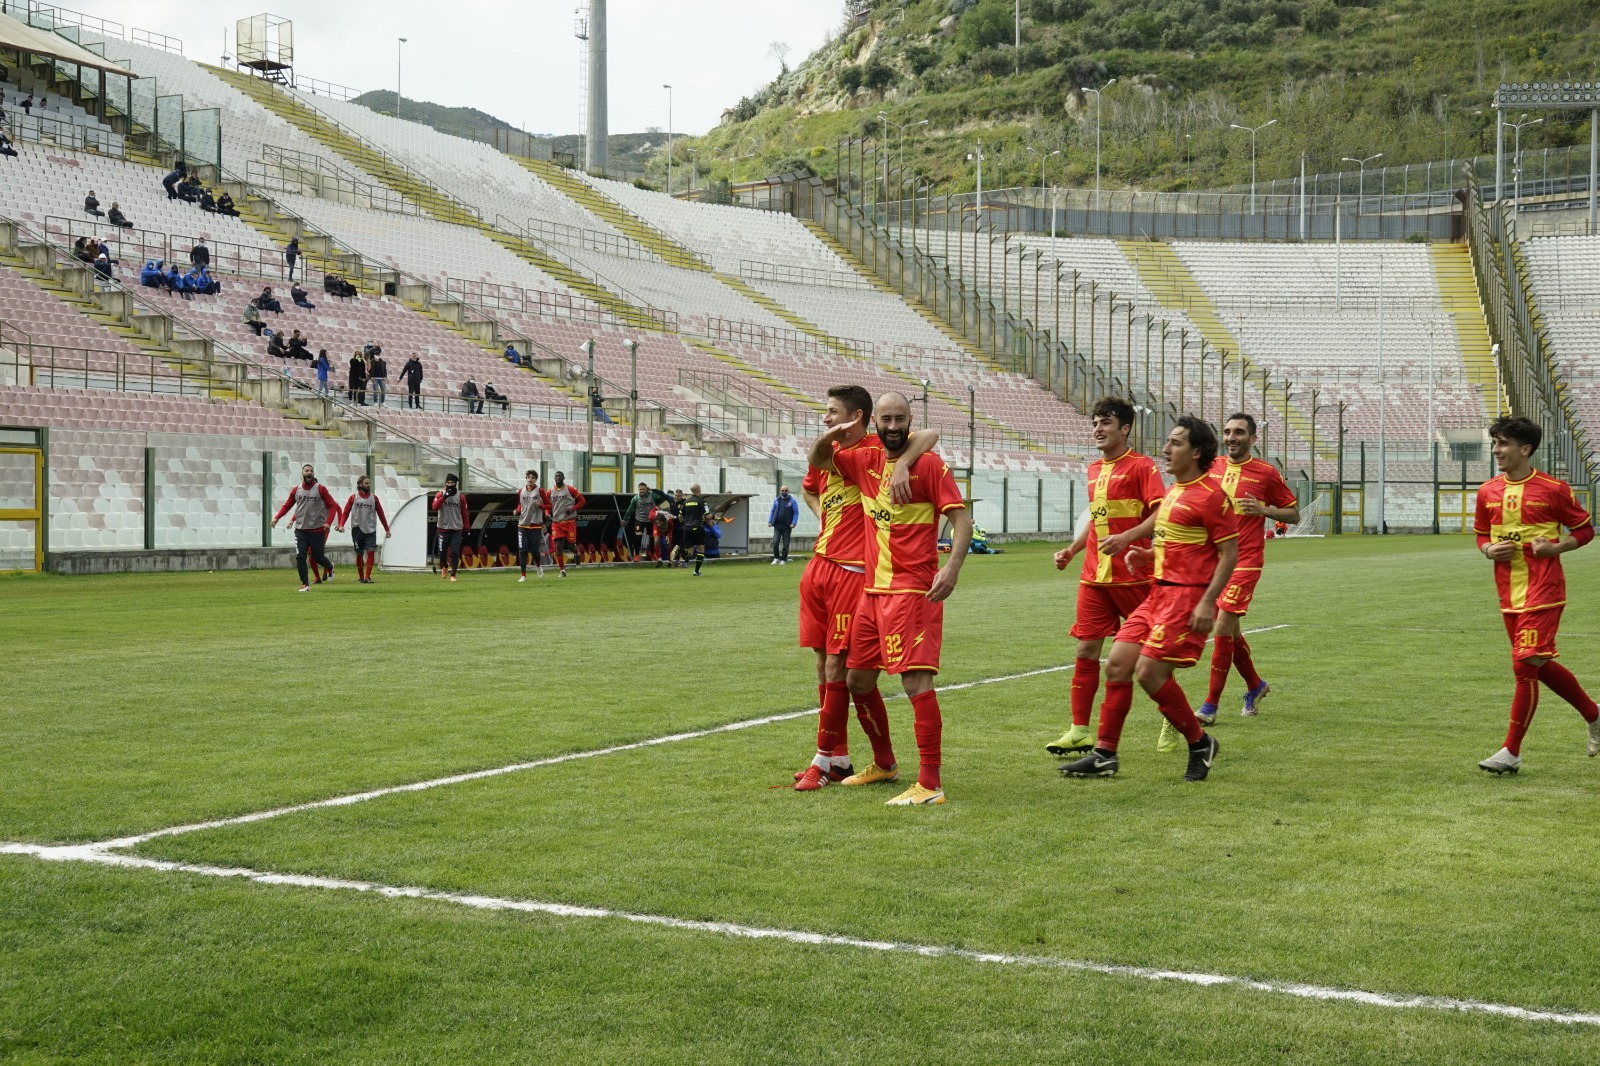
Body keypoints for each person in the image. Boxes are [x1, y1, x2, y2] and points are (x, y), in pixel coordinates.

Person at [807, 391, 973, 806]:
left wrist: (950, 569)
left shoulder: (929, 464)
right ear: (875, 422)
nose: (894, 427)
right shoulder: (864, 460)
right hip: (872, 592)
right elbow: (819, 462)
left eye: (901, 418)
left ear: (910, 418)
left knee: (915, 679)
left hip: (913, 590)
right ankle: (884, 763)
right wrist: (831, 434)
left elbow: (960, 519)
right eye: (887, 419)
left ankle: (930, 784)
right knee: (857, 679)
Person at [1060, 416, 1235, 784]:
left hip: (1186, 600)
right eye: (1167, 442)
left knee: (1149, 672)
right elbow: (1178, 547)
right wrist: (1147, 557)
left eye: (1175, 443)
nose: (1166, 449)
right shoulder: (1174, 492)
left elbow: (1228, 554)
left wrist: (1207, 603)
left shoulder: (1212, 495)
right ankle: (1105, 755)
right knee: (1118, 665)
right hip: (1157, 593)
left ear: (1197, 452)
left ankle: (1200, 743)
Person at [1474, 415, 1600, 775]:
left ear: (1524, 449)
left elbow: (1585, 530)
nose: (1496, 450)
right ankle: (1595, 714)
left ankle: (1510, 753)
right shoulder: (1488, 491)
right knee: (1537, 665)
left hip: (1544, 590)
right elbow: (1482, 534)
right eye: (1494, 443)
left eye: (1502, 444)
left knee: (1524, 666)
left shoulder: (1554, 489)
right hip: (1508, 594)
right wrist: (1487, 551)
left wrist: (1556, 547)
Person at [1045, 397, 1167, 757]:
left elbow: (1161, 515)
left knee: (1150, 655)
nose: (1097, 429)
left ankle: (1172, 719)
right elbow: (1098, 525)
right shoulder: (1094, 469)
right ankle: (1079, 730)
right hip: (1094, 577)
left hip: (1134, 576)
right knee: (1085, 648)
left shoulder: (1143, 468)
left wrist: (1128, 538)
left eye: (1105, 423)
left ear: (1125, 429)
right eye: (1095, 423)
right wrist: (1072, 550)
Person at [1190, 412, 1301, 731]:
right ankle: (1255, 686)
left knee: (1222, 626)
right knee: (1232, 633)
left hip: (1246, 561)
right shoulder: (1212, 469)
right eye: (1227, 432)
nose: (1231, 437)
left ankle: (1210, 706)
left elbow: (1293, 514)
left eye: (1239, 432)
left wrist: (1264, 509)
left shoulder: (1265, 473)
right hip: (1214, 562)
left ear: (1253, 439)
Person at [270, 463, 340, 591]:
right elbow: (287, 505)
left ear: (313, 474)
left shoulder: (321, 489)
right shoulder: (296, 490)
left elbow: (333, 506)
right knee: (300, 556)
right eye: (306, 471)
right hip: (301, 530)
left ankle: (330, 566)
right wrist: (276, 518)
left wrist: (328, 522)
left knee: (318, 557)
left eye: (311, 471)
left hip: (317, 530)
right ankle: (305, 584)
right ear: (302, 474)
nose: (309, 473)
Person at [338, 475, 390, 584]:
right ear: (360, 484)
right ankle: (361, 577)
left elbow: (381, 514)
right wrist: (341, 524)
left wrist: (387, 529)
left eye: (369, 483)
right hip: (357, 529)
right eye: (366, 483)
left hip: (370, 530)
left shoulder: (374, 498)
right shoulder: (353, 497)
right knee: (359, 553)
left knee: (371, 552)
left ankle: (368, 577)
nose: (368, 485)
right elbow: (346, 512)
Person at [546, 471, 585, 577]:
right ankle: (562, 570)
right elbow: (547, 505)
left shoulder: (570, 489)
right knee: (558, 545)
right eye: (556, 476)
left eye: (559, 476)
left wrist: (573, 509)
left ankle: (577, 553)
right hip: (557, 522)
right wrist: (547, 513)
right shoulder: (550, 492)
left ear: (563, 478)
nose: (558, 478)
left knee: (571, 545)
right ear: (554, 478)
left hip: (569, 521)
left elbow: (582, 500)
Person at [433, 473, 470, 582]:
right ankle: (445, 565)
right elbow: (435, 507)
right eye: (448, 483)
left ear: (455, 484)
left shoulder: (460, 497)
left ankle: (453, 574)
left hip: (456, 529)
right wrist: (444, 497)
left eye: (452, 483)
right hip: (442, 528)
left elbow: (464, 513)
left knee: (454, 552)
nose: (450, 484)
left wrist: (467, 528)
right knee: (442, 553)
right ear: (445, 483)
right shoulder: (440, 494)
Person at [514, 469, 549, 581]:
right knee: (523, 550)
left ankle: (538, 566)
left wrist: (541, 506)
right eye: (528, 477)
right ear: (526, 478)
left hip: (535, 525)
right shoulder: (521, 491)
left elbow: (549, 505)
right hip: (522, 524)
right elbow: (520, 505)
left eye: (532, 478)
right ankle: (523, 575)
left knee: (534, 551)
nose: (530, 479)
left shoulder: (540, 491)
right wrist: (517, 511)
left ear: (535, 480)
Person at [678, 484, 713, 577]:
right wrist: (713, 516)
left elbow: (680, 516)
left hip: (687, 528)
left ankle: (681, 550)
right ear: (699, 490)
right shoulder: (702, 501)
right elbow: (707, 516)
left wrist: (683, 524)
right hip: (697, 527)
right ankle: (696, 571)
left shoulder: (686, 501)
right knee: (701, 549)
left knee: (689, 552)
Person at [768, 485, 799, 565]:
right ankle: (776, 558)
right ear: (780, 491)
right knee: (775, 542)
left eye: (785, 490)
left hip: (787, 526)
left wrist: (793, 523)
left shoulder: (792, 501)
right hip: (777, 525)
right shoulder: (777, 500)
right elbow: (772, 511)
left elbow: (796, 513)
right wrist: (770, 521)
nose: (784, 492)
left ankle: (784, 559)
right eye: (782, 490)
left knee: (786, 544)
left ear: (788, 491)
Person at [627, 482, 655, 562]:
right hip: (639, 520)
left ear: (646, 489)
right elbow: (630, 509)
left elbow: (662, 494)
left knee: (652, 538)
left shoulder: (652, 495)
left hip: (650, 520)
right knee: (638, 537)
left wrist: (653, 489)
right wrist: (624, 519)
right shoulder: (636, 498)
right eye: (640, 489)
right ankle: (636, 555)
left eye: (643, 489)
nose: (642, 491)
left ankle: (652, 554)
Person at [651, 499, 675, 567]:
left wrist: (668, 535)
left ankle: (670, 561)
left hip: (667, 529)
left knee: (669, 543)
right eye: (657, 523)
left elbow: (671, 528)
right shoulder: (652, 517)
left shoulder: (669, 520)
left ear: (663, 521)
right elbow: (651, 512)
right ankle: (659, 559)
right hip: (657, 529)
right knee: (656, 541)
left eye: (660, 523)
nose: (659, 524)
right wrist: (655, 507)